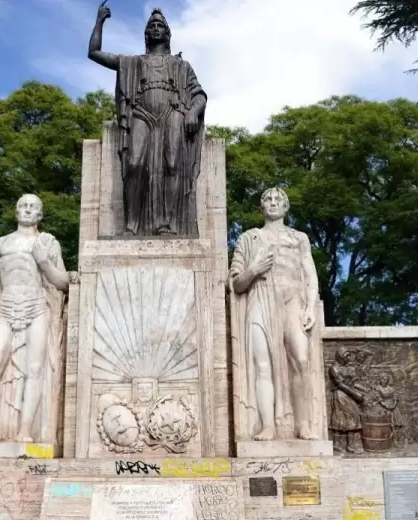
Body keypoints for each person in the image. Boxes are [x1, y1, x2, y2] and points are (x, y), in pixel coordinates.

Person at [88, 1, 207, 237]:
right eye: (151, 25)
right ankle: (132, 224)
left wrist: (193, 111)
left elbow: (199, 95)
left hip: (173, 113)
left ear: (167, 33)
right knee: (133, 164)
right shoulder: (133, 62)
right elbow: (94, 53)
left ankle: (168, 224)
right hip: (141, 113)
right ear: (146, 34)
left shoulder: (181, 65)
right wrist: (99, 22)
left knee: (173, 164)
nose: (155, 28)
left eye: (159, 25)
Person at [0, 194, 69, 443]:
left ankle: (25, 430)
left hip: (36, 306)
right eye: (23, 205)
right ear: (16, 211)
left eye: (33, 207)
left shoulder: (47, 242)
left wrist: (44, 262)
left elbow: (63, 282)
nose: (28, 209)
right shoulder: (1, 243)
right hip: (6, 306)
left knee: (35, 368)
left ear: (40, 215)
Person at [229, 188, 320, 441]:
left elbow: (310, 273)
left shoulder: (298, 238)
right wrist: (254, 269)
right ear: (261, 207)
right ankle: (267, 425)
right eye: (267, 199)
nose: (272, 203)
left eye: (278, 200)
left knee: (301, 360)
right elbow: (236, 283)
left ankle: (303, 424)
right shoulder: (249, 238)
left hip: (292, 300)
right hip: (260, 299)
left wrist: (310, 306)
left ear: (286, 207)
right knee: (262, 365)